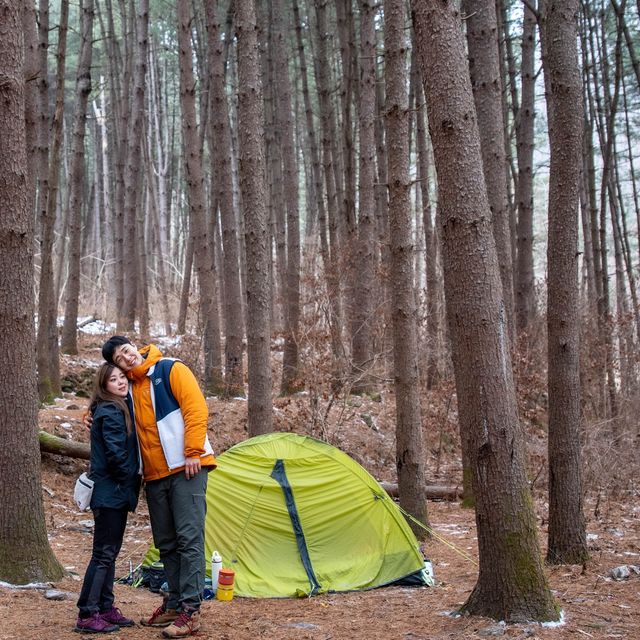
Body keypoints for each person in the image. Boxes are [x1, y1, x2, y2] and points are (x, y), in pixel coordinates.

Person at [101, 336, 216, 639]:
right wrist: (90, 418)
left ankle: (191, 611)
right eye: (119, 359)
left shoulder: (169, 369)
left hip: (186, 467)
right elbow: (108, 405)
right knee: (166, 543)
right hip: (154, 476)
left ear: (134, 347)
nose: (126, 358)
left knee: (189, 538)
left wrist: (193, 451)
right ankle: (175, 603)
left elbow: (195, 408)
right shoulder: (130, 389)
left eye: (126, 351)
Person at [76, 363, 141, 634]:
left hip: (113, 492)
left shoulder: (116, 407)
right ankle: (87, 613)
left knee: (109, 554)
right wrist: (130, 477)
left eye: (122, 377)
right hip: (110, 493)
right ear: (104, 387)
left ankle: (105, 607)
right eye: (113, 380)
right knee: (103, 555)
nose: (121, 382)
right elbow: (116, 455)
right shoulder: (112, 411)